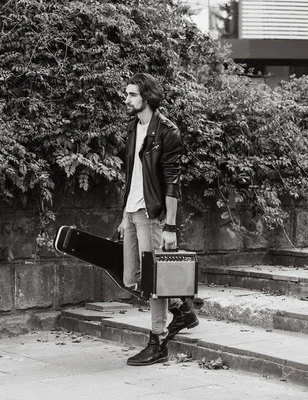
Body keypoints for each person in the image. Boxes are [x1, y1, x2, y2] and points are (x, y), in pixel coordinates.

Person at [117, 73, 199, 366]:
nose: (126, 99)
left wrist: (170, 227)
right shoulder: (131, 128)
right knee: (131, 278)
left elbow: (172, 183)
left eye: (132, 95)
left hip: (152, 216)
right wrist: (123, 215)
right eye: (127, 94)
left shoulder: (167, 131)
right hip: (132, 212)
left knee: (153, 281)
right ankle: (182, 308)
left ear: (147, 97)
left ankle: (159, 341)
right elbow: (131, 176)